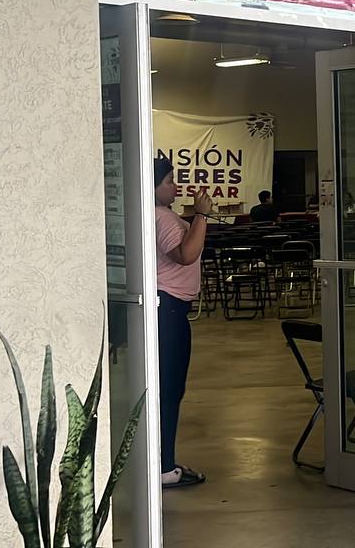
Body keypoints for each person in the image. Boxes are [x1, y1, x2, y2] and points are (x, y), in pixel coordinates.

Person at [154, 158, 211, 489]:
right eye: (169, 182)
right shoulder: (161, 217)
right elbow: (185, 255)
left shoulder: (158, 215)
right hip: (170, 311)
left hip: (167, 308)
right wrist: (201, 215)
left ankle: (160, 460)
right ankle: (164, 466)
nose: (176, 187)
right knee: (170, 389)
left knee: (167, 388)